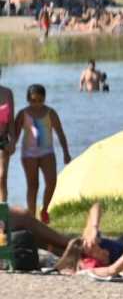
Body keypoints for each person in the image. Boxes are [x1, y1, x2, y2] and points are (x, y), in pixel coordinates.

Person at [16, 84, 70, 223]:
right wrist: (8, 149)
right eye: (33, 100)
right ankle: (32, 218)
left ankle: (44, 209)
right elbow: (14, 135)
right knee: (33, 185)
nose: (37, 104)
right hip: (29, 154)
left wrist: (65, 152)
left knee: (52, 181)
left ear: (44, 99)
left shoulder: (50, 113)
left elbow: (60, 134)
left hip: (47, 152)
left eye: (40, 100)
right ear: (28, 99)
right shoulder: (23, 114)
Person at [0, 68, 14, 204]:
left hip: (3, 139)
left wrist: (13, 140)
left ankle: (2, 213)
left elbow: (11, 120)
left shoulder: (7, 93)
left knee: (2, 177)